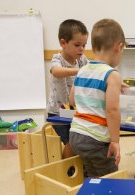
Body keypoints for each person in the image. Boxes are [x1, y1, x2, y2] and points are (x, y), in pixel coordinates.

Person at [69, 18, 125, 177]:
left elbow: (72, 100)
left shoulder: (82, 70)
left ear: (93, 47)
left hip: (76, 135)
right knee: (108, 180)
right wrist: (115, 141)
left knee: (91, 176)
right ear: (118, 47)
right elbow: (112, 110)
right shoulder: (112, 75)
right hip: (96, 139)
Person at [46, 19, 88, 159]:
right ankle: (66, 171)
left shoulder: (81, 59)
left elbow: (91, 68)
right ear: (63, 43)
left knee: (81, 141)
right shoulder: (57, 59)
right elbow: (56, 71)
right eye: (77, 45)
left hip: (74, 111)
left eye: (84, 45)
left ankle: (79, 168)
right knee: (71, 144)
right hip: (57, 114)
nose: (81, 49)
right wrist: (77, 71)